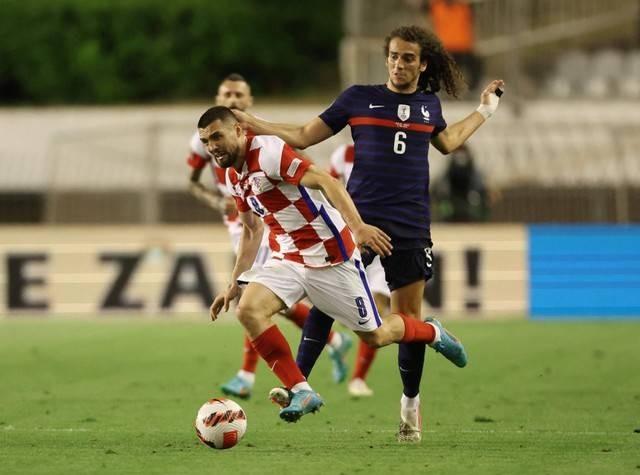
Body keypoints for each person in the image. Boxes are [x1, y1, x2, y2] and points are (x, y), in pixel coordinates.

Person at [232, 25, 504, 441]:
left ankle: (410, 406)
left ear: (422, 63)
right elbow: (305, 136)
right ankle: (298, 385)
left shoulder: (429, 105)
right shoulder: (359, 97)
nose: (399, 64)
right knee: (324, 298)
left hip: (410, 224)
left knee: (406, 319)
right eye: (393, 56)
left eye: (408, 58)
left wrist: (485, 110)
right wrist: (255, 122)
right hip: (356, 218)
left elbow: (447, 143)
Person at [201, 106, 466, 424]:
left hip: (331, 255)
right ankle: (301, 390)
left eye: (217, 135)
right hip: (290, 256)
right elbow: (252, 229)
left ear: (240, 131)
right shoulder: (233, 175)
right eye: (205, 140)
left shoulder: (269, 152)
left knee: (377, 336)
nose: (212, 146)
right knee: (248, 310)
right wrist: (233, 283)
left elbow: (328, 182)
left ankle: (431, 332)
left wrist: (357, 227)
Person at [186, 74, 351, 400]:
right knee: (269, 303)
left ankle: (247, 375)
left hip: (270, 222)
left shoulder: (264, 142)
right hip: (240, 222)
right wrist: (217, 201)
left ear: (247, 103)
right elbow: (192, 182)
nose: (232, 99)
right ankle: (332, 341)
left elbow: (304, 162)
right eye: (225, 94)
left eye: (238, 95)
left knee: (253, 297)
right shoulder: (203, 140)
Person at [329, 143, 390, 398]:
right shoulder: (342, 155)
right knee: (330, 306)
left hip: (386, 238)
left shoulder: (395, 150)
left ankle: (357, 379)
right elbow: (328, 191)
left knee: (377, 310)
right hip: (351, 241)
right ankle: (334, 344)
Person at [432, 144, 490, 222]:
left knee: (476, 199)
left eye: (462, 153)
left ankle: (477, 218)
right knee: (443, 199)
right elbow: (443, 181)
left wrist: (475, 193)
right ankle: (445, 217)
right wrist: (443, 193)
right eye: (458, 153)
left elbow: (478, 183)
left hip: (469, 195)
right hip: (452, 196)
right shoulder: (450, 168)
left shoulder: (472, 169)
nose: (460, 156)